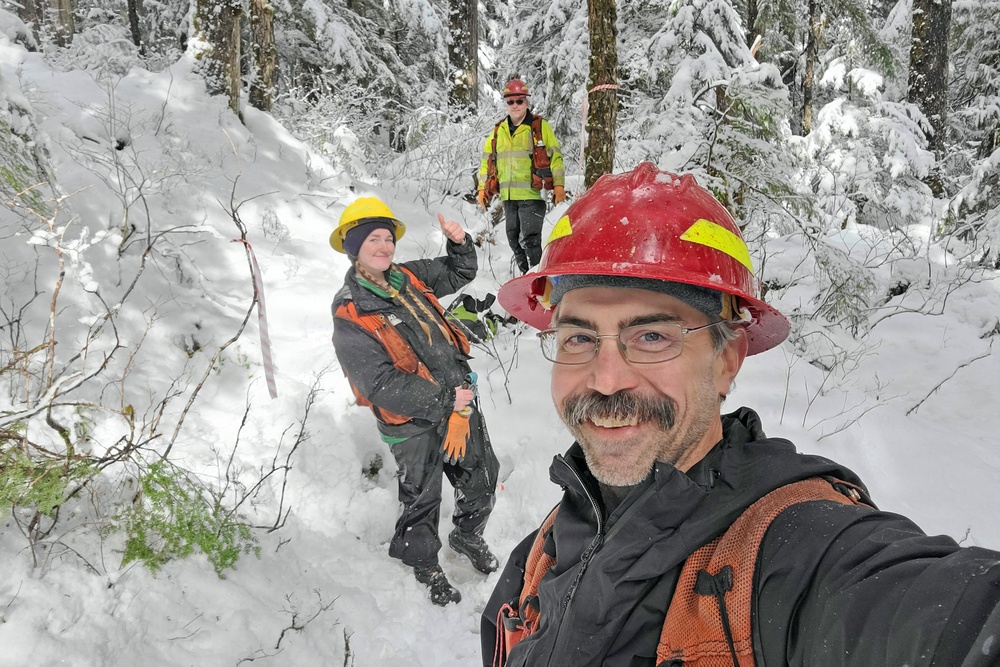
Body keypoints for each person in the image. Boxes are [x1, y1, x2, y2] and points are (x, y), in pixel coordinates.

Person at [482, 163, 1000, 666]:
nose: (606, 378)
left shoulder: (791, 549)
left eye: (653, 336)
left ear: (726, 360)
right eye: (579, 337)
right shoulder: (541, 553)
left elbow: (934, 616)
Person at [330, 196, 500, 607]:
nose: (384, 247)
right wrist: (447, 401)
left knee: (482, 477)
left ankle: (467, 535)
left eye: (388, 238)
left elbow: (459, 270)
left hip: (457, 401)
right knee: (421, 496)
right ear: (354, 247)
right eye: (373, 239)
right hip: (413, 421)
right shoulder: (350, 310)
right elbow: (378, 383)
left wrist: (460, 243)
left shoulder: (407, 276)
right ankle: (424, 563)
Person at [477, 78, 565, 275]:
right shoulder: (499, 130)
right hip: (509, 197)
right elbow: (486, 161)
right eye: (510, 101)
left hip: (532, 195)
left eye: (519, 101)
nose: (515, 105)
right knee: (514, 240)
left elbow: (556, 156)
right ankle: (527, 276)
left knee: (531, 240)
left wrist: (559, 185)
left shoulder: (539, 127)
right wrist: (482, 188)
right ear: (506, 104)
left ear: (526, 102)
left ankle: (539, 280)